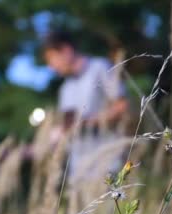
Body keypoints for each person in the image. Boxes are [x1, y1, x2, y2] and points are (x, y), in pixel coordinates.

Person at [42, 31, 131, 187]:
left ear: (66, 50)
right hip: (78, 168)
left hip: (107, 162)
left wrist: (88, 121)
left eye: (52, 59)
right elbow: (69, 124)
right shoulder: (65, 88)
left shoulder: (100, 68)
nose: (51, 67)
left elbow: (122, 106)